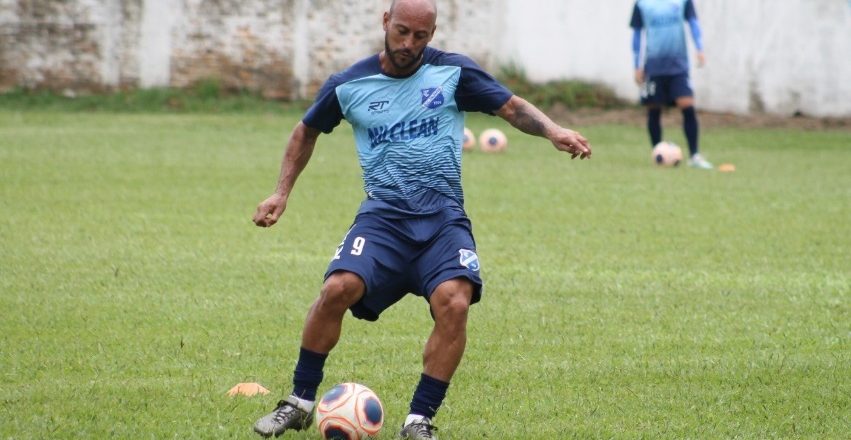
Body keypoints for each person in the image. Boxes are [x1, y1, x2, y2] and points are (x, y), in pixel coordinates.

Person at [251, 0, 591, 438]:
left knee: (454, 301)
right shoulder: (349, 85)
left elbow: (512, 107)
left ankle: (418, 420)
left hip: (443, 220)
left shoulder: (454, 73)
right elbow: (306, 131)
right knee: (338, 287)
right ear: (385, 22)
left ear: (432, 34)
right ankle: (298, 401)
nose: (408, 43)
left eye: (420, 36)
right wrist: (281, 191)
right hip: (384, 218)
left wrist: (554, 131)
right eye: (402, 32)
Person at [630, 0, 713, 169]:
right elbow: (637, 34)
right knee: (654, 109)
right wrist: (637, 65)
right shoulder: (642, 4)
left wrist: (700, 48)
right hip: (653, 66)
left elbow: (693, 23)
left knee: (687, 104)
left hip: (678, 66)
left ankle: (694, 155)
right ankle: (658, 153)